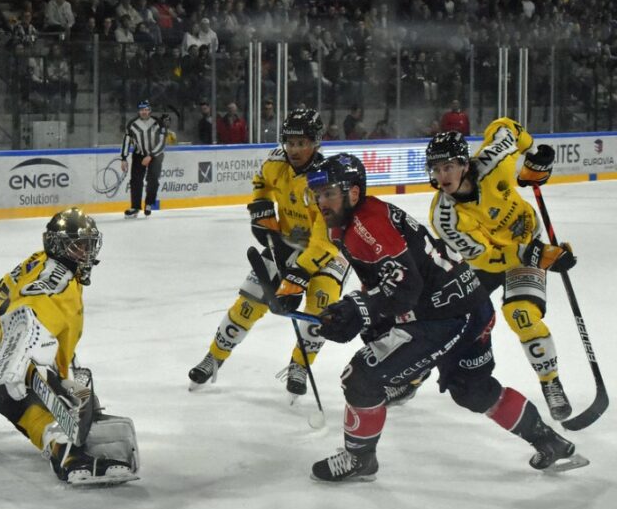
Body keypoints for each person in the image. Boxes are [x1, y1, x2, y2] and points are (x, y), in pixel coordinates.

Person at [305, 153, 586, 482]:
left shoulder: (364, 226)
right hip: (470, 304)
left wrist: (359, 308)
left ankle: (360, 458)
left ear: (353, 193)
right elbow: (392, 282)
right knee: (473, 389)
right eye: (318, 195)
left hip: (443, 317)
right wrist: (365, 312)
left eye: (328, 194)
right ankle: (549, 441)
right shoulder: (359, 218)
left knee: (360, 378)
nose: (321, 202)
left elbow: (405, 287)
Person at [0, 208, 139, 486]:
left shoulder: (45, 262)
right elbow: (27, 315)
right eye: (78, 246)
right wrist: (17, 363)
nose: (86, 253)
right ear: (57, 245)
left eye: (89, 245)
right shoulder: (57, 278)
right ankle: (69, 453)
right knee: (36, 401)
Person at [187, 109, 349, 398]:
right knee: (248, 302)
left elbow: (325, 239)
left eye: (302, 143)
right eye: (291, 142)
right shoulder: (276, 161)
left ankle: (300, 365)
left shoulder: (326, 179)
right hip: (285, 243)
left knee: (320, 310)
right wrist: (261, 207)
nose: (295, 150)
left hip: (329, 252)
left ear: (316, 143)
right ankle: (214, 357)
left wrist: (297, 276)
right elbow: (261, 182)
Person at [426, 119, 575, 420]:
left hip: (526, 241)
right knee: (445, 313)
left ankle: (551, 382)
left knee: (521, 315)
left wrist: (533, 156)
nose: (442, 176)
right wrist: (538, 255)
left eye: (448, 167)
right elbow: (485, 259)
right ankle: (415, 375)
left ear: (464, 164)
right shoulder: (445, 217)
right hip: (494, 259)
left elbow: (507, 127)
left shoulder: (493, 162)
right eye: (436, 169)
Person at [120, 100, 169, 217]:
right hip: (139, 154)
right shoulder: (132, 124)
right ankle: (135, 207)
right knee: (135, 181)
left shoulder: (158, 123)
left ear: (150, 110)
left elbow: (162, 143)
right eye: (142, 110)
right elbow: (126, 141)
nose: (144, 112)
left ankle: (149, 203)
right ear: (139, 111)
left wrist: (151, 155)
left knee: (153, 179)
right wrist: (124, 158)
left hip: (156, 155)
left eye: (146, 109)